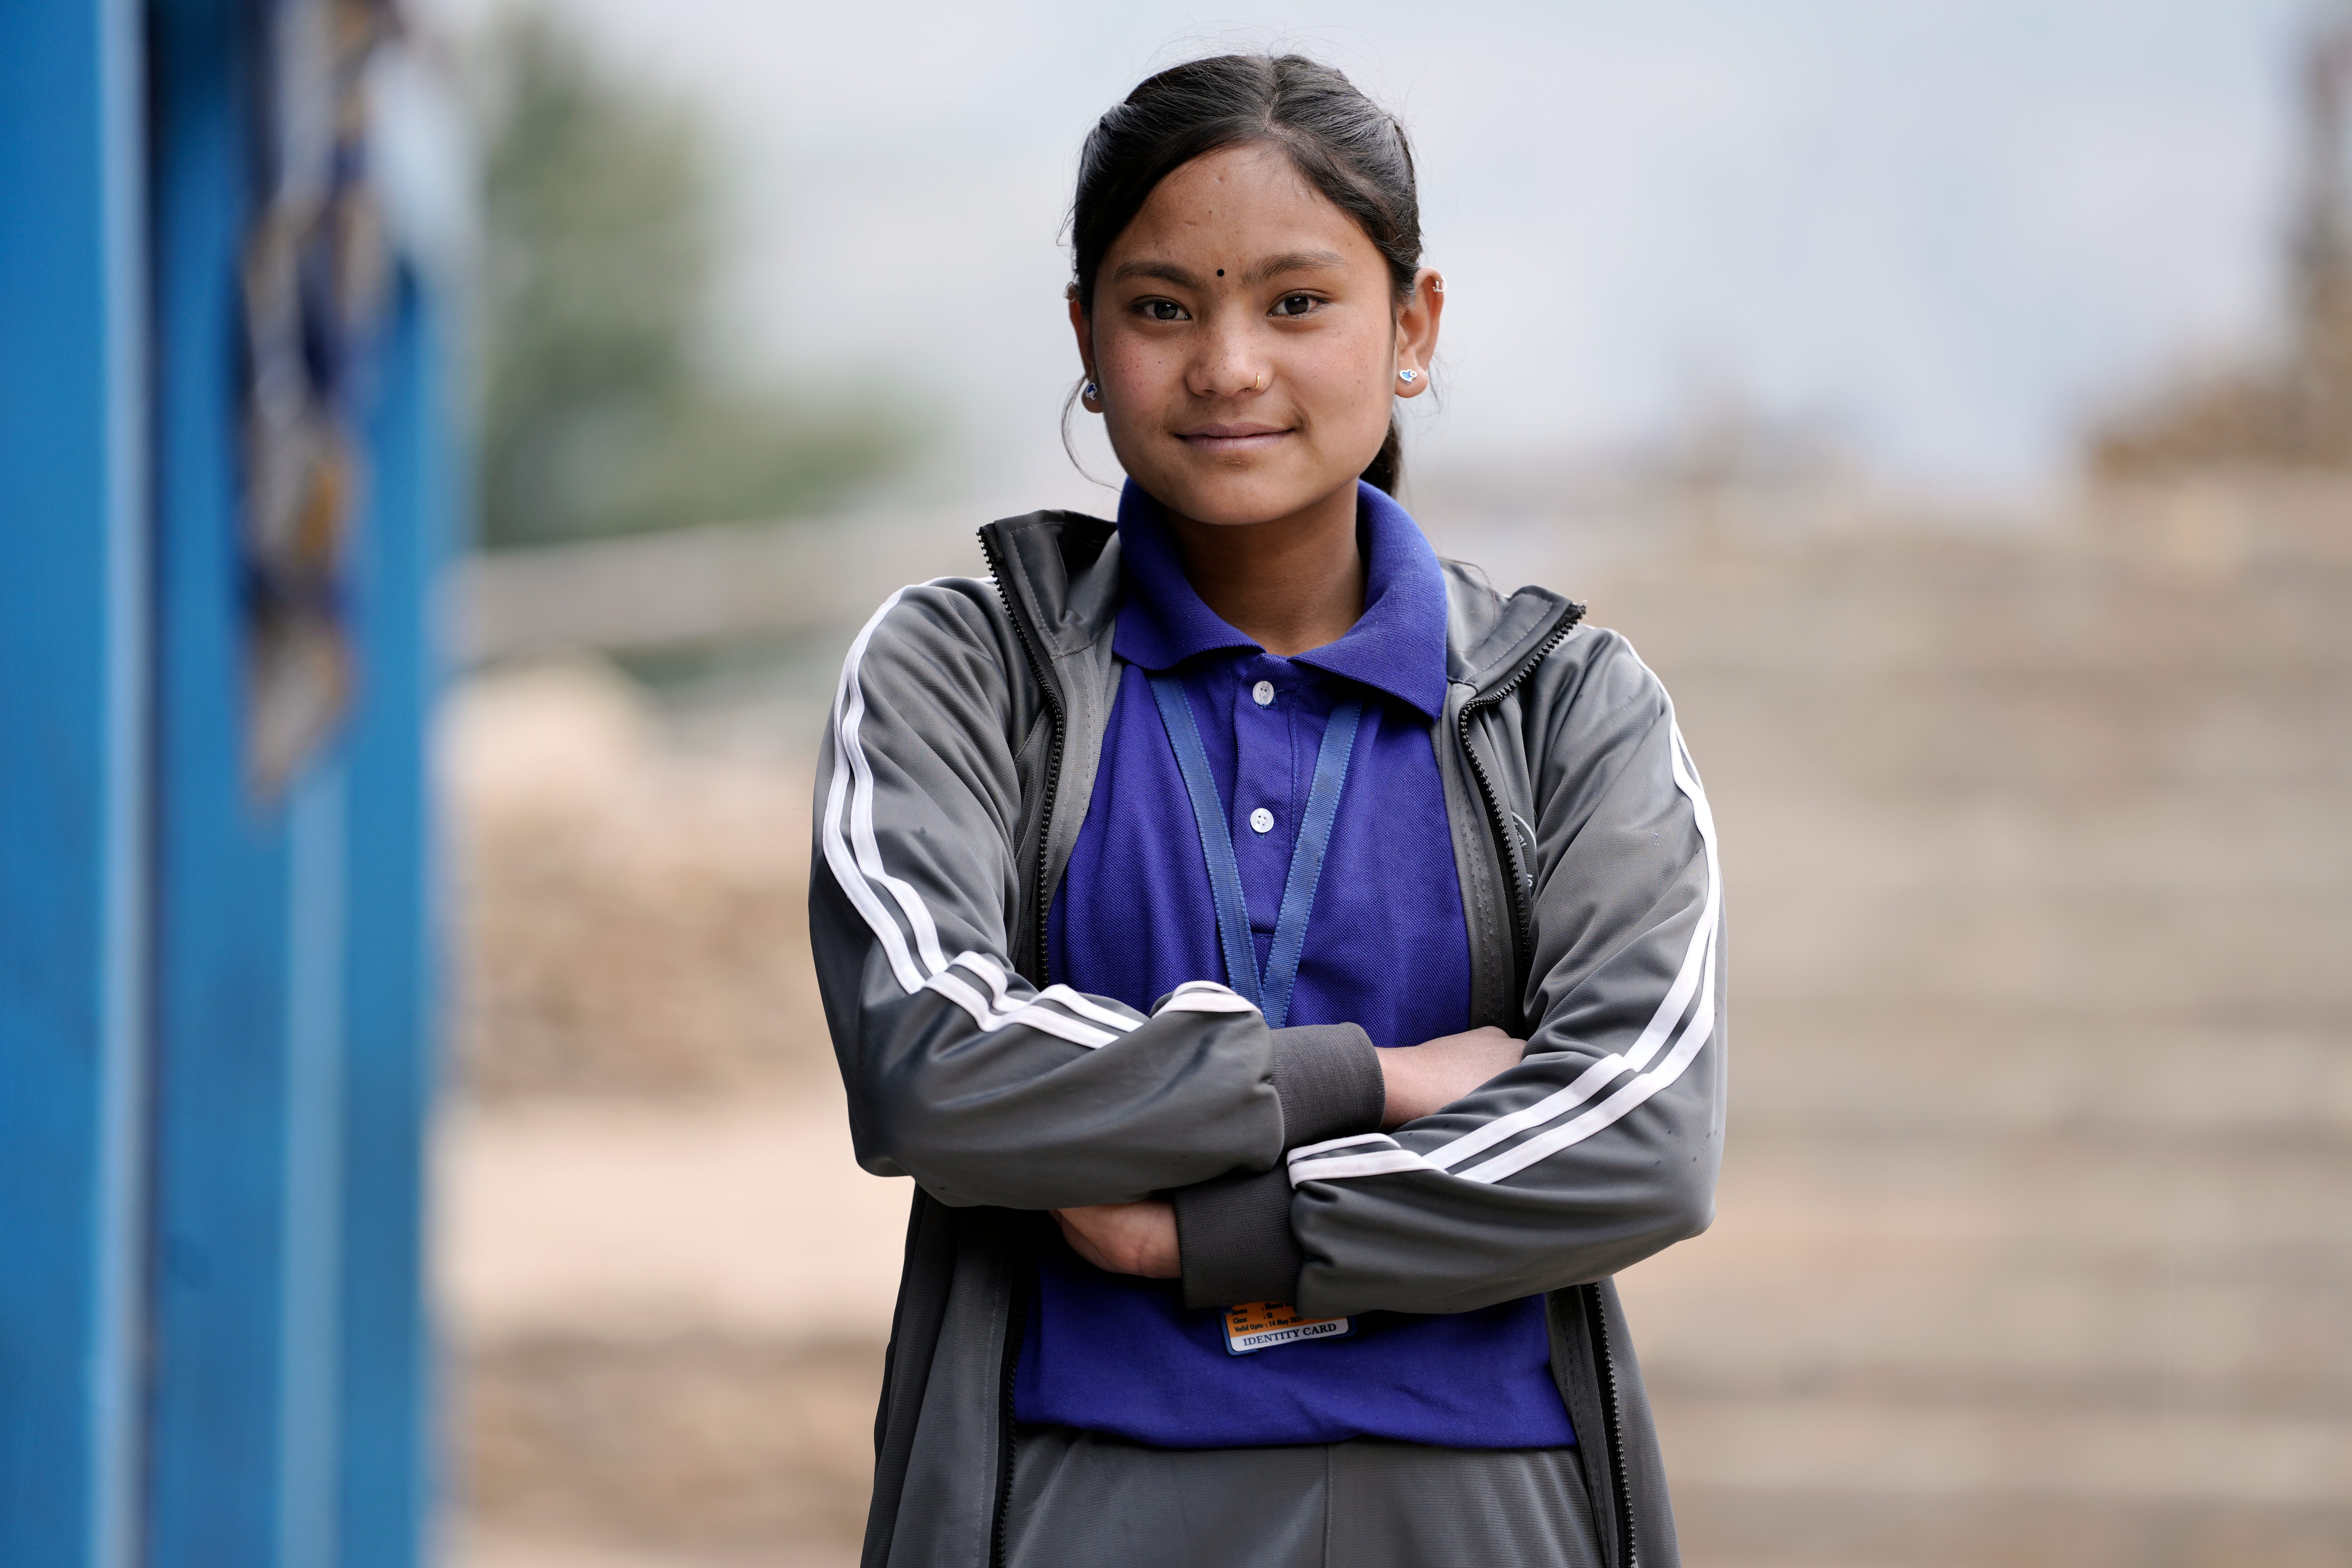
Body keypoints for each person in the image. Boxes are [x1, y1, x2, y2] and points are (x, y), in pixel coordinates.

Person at [810, 52, 1724, 1568]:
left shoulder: (1565, 702)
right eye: (1163, 306)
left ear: (1412, 327)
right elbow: (933, 1065)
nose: (1229, 365)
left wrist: (1207, 1237)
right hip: (1075, 1483)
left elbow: (1639, 1129)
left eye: (1298, 303)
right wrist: (1374, 1074)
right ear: (1089, 342)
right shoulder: (966, 675)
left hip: (1489, 1496)